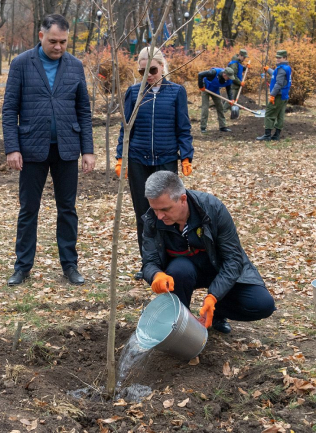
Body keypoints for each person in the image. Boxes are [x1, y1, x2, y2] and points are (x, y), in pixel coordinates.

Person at [2, 14, 95, 286]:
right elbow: (9, 109)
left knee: (67, 209)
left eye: (63, 42)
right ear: (41, 36)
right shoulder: (21, 64)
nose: (58, 46)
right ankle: (22, 267)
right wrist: (12, 148)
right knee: (29, 209)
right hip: (32, 148)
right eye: (53, 41)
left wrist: (88, 150)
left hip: (67, 148)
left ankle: (70, 265)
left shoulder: (75, 66)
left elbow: (83, 110)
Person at [141, 171, 275, 334]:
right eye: (155, 209)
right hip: (183, 273)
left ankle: (216, 312)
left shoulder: (213, 209)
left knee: (262, 304)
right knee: (179, 270)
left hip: (217, 268)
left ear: (182, 199)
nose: (159, 216)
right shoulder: (152, 219)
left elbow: (233, 259)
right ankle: (180, 322)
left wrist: (213, 297)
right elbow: (149, 262)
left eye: (165, 209)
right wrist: (156, 275)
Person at [115, 47, 193, 280]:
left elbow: (183, 127)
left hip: (165, 159)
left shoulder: (176, 92)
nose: (147, 75)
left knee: (169, 211)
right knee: (144, 213)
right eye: (142, 71)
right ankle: (148, 263)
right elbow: (126, 129)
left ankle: (170, 262)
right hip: (138, 160)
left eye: (152, 70)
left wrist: (186, 156)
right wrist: (121, 157)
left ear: (162, 67)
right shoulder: (133, 93)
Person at [256, 50, 292, 141]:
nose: (277, 59)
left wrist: (272, 95)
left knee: (269, 113)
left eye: (279, 58)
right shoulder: (286, 67)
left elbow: (278, 83)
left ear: (285, 58)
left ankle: (267, 135)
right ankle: (276, 135)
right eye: (277, 57)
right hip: (284, 95)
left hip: (278, 96)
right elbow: (276, 75)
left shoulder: (281, 69)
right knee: (280, 115)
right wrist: (268, 69)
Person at [197, 67, 235, 133]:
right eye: (229, 77)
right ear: (224, 74)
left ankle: (222, 127)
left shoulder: (229, 80)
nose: (229, 79)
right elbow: (200, 74)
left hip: (215, 91)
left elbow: (229, 89)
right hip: (205, 89)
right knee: (205, 107)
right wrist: (201, 86)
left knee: (220, 107)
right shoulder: (213, 72)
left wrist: (231, 99)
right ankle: (203, 127)